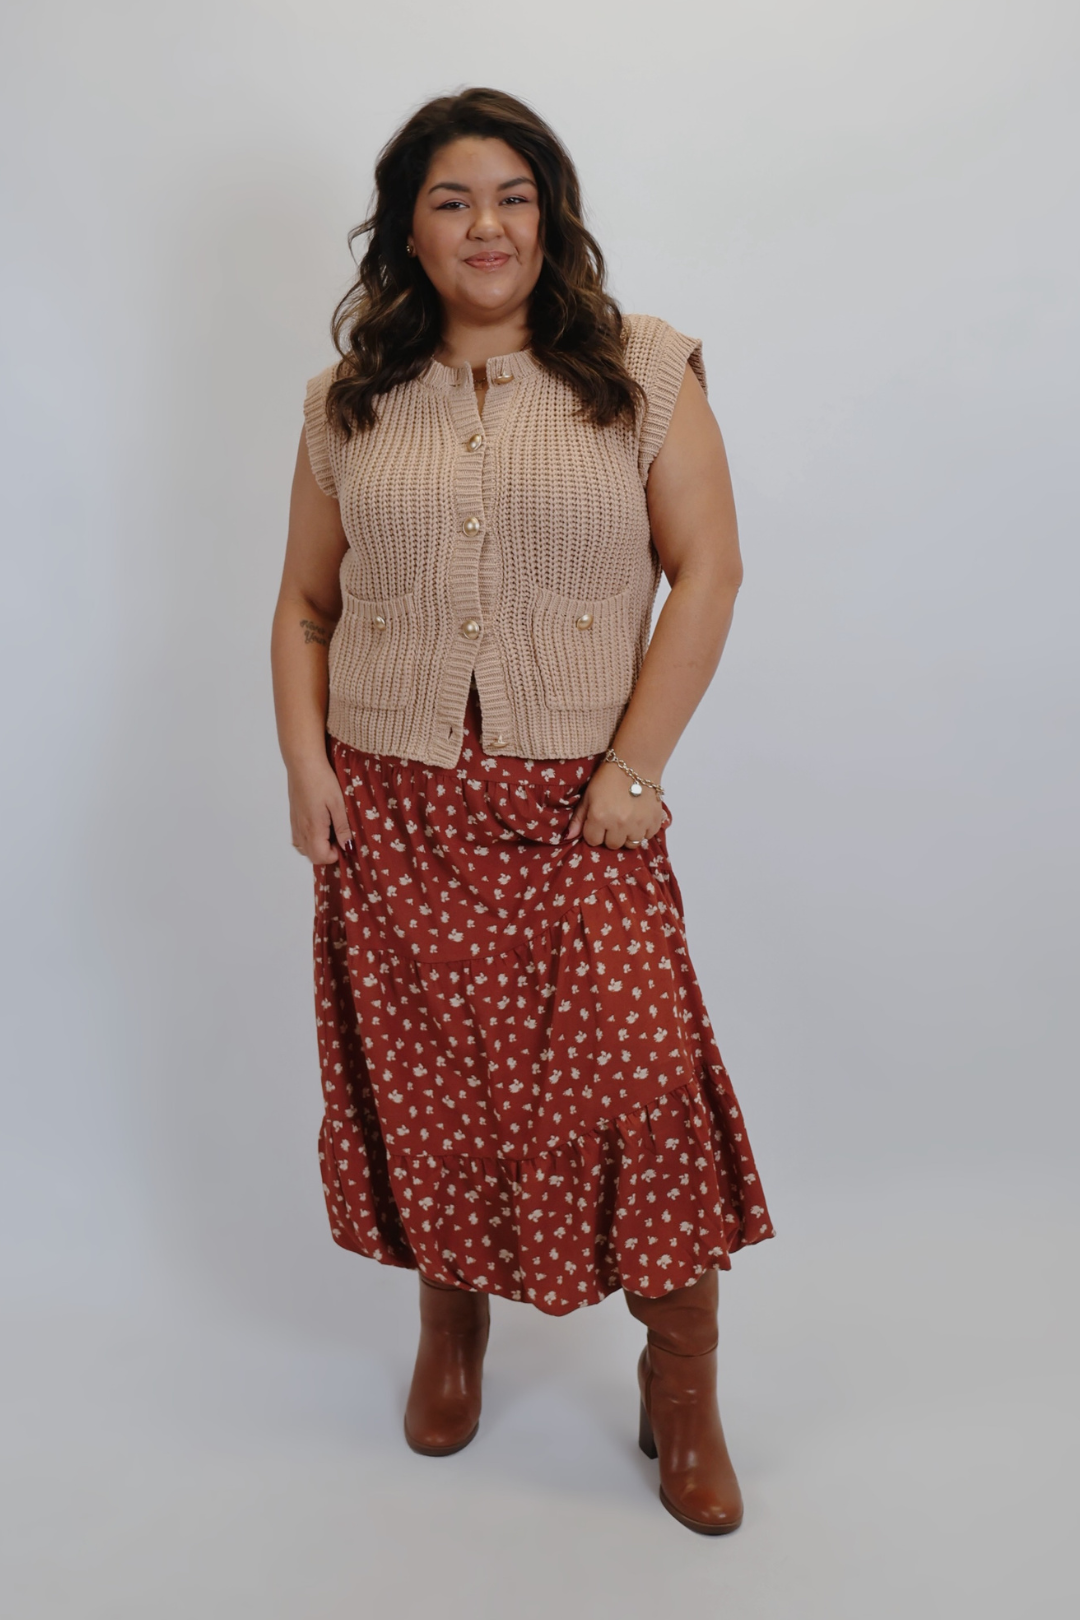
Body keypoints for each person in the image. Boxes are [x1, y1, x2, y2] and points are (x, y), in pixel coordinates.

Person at [271, 87, 774, 1535]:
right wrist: (305, 765)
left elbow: (711, 570)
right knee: (437, 1091)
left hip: (582, 809)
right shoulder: (347, 401)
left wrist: (634, 770)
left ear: (549, 218)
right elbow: (304, 604)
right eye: (451, 200)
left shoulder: (641, 367)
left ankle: (682, 1383)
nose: (485, 226)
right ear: (407, 232)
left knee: (643, 1092)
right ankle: (452, 1331)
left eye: (513, 196)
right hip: (395, 809)